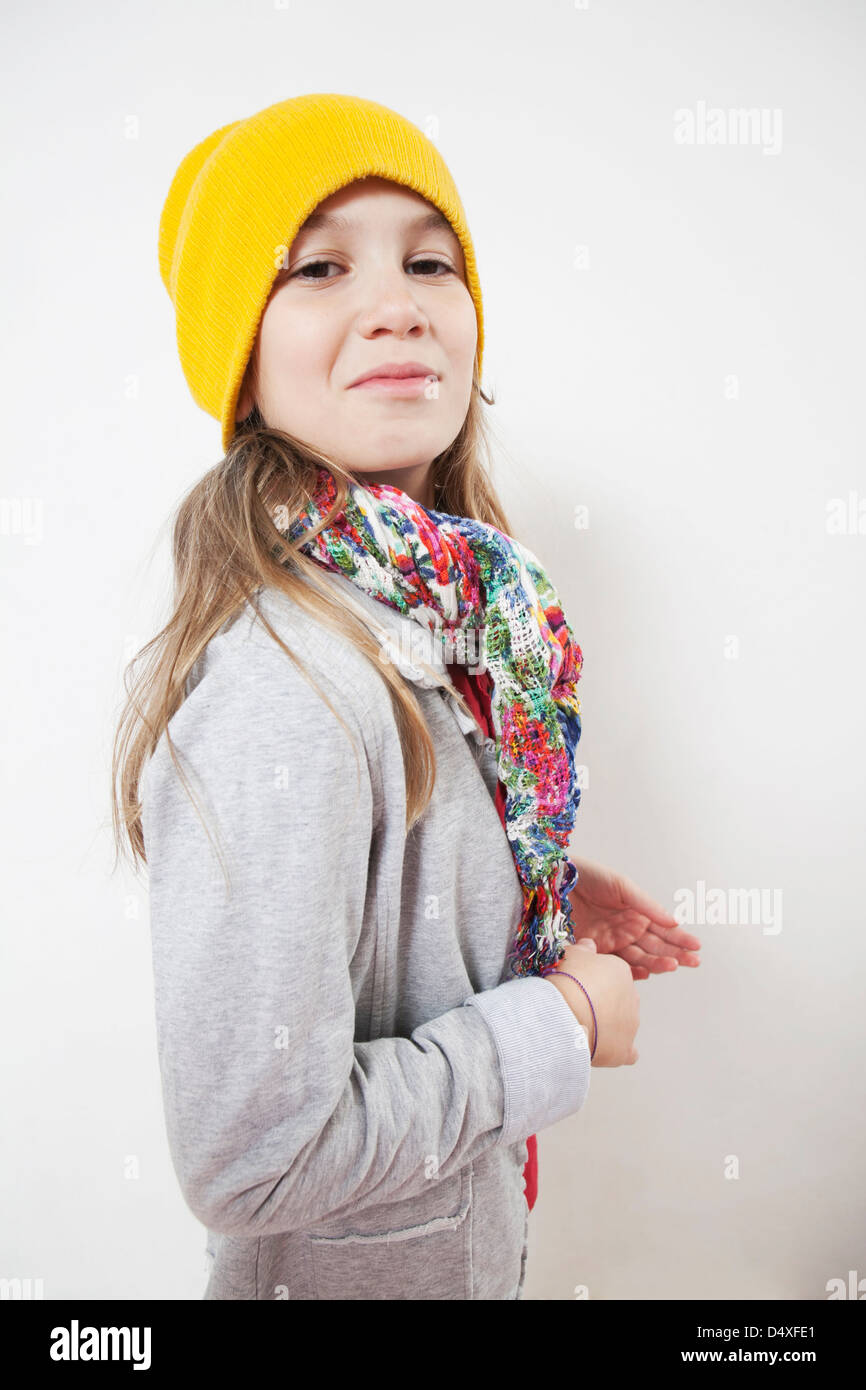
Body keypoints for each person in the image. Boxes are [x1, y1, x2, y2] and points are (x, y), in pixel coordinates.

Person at [112, 93, 699, 1301]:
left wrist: (522, 878)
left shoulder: (434, 616)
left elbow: (365, 863)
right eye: (319, 266)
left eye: (428, 260)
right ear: (242, 355)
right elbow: (253, 1163)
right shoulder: (283, 684)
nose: (398, 301)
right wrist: (563, 1021)